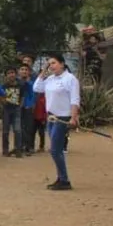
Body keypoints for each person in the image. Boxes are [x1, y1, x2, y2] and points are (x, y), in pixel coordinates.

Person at [34, 53, 80, 191]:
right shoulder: (49, 79)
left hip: (63, 118)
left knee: (55, 150)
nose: (51, 66)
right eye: (49, 64)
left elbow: (74, 100)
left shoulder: (70, 79)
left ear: (62, 63)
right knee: (56, 150)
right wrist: (43, 71)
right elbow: (37, 88)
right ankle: (61, 178)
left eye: (53, 63)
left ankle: (64, 179)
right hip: (52, 117)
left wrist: (73, 117)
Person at [0, 67, 23, 158]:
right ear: (6, 75)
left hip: (16, 109)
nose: (11, 75)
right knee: (5, 131)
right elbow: (0, 97)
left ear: (16, 74)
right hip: (6, 110)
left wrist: (19, 106)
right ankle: (5, 150)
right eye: (9, 73)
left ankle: (18, 149)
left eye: (12, 72)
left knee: (17, 130)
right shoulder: (3, 86)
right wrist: (3, 103)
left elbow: (22, 97)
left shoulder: (20, 85)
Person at [19, 65, 36, 154]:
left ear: (29, 72)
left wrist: (30, 105)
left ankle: (29, 147)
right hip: (18, 107)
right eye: (22, 69)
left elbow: (32, 95)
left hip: (28, 107)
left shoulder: (31, 84)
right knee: (20, 127)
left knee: (28, 127)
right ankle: (20, 146)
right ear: (19, 71)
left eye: (26, 70)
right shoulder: (17, 82)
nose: (24, 71)